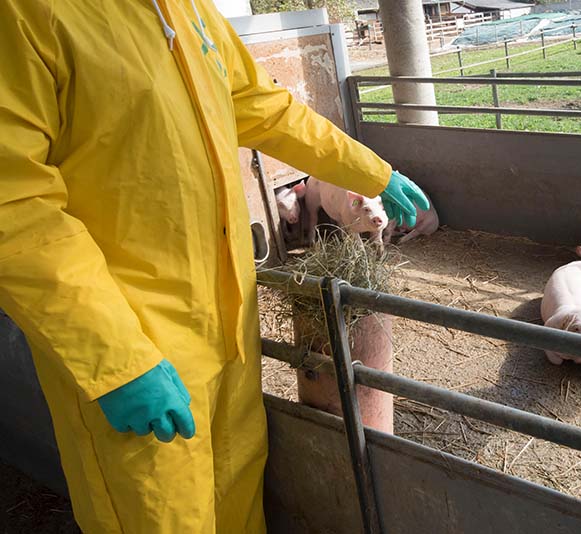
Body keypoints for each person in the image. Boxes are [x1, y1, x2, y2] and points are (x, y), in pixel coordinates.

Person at [0, 1, 428, 532]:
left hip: (229, 338)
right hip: (138, 348)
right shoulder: (25, 15)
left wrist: (369, 171)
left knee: (239, 502)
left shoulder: (186, 8)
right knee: (160, 516)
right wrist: (115, 360)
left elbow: (266, 108)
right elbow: (14, 206)